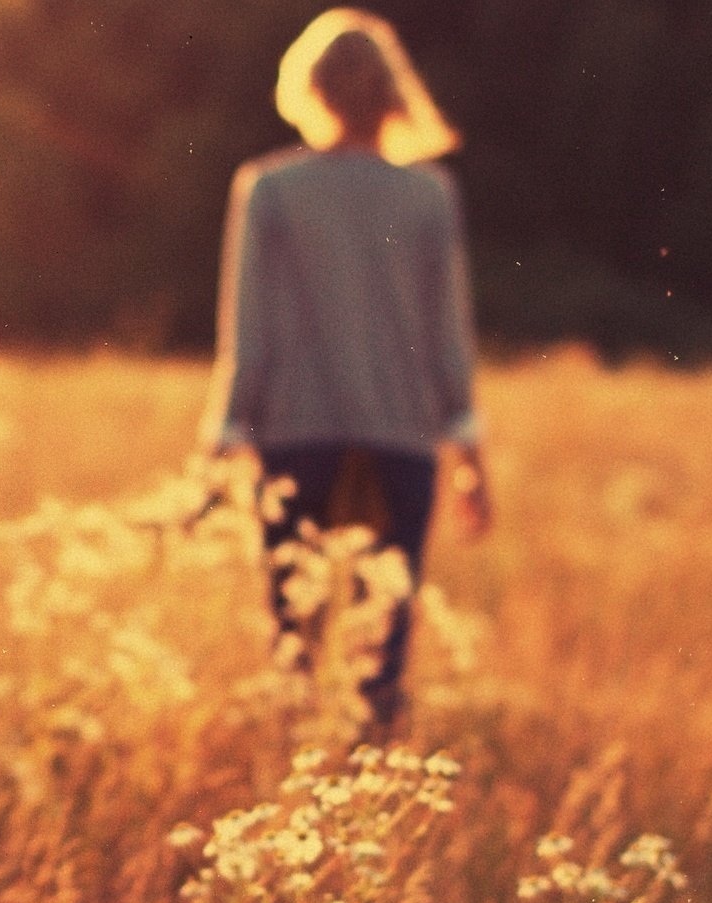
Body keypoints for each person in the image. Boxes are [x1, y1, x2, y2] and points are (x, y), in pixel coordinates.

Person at [200, 8, 492, 740]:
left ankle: (291, 789)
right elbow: (447, 337)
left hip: (297, 440)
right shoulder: (429, 195)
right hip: (400, 444)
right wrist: (472, 459)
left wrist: (222, 440)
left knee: (295, 642)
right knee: (380, 658)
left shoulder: (269, 190)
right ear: (391, 94)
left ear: (312, 89)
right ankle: (369, 796)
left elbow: (250, 333)